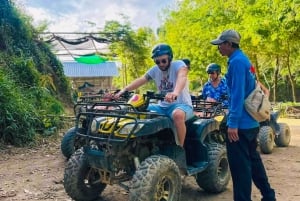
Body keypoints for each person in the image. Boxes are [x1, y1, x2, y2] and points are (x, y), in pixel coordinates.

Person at [211, 29, 276, 201]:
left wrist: (233, 124)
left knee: (241, 170)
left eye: (220, 44)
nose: (218, 48)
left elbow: (238, 95)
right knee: (253, 163)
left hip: (241, 126)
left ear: (229, 44)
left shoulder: (237, 62)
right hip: (251, 124)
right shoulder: (243, 59)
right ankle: (269, 196)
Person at [115, 44, 194, 147]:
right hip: (161, 107)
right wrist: (124, 90)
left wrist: (175, 92)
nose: (160, 64)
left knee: (177, 115)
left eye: (163, 61)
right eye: (157, 61)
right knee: (135, 109)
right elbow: (141, 79)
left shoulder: (178, 65)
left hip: (182, 105)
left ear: (170, 58)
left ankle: (180, 147)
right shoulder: (155, 70)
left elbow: (182, 76)